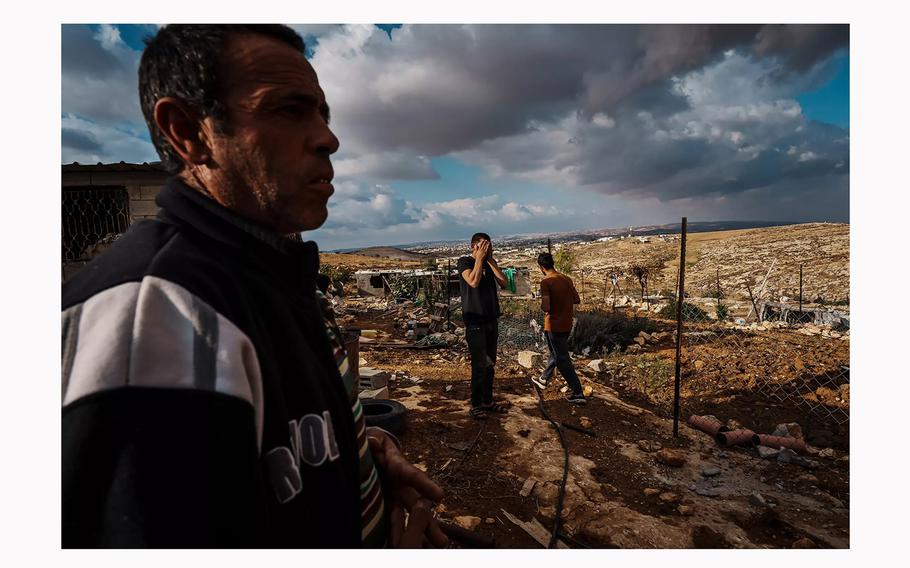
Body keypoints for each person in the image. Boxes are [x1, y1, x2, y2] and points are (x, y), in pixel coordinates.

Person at [62, 24, 447, 549]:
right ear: (188, 132)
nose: (328, 138)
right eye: (288, 110)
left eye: (322, 113)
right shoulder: (153, 319)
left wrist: (360, 454)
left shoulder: (266, 275)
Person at [457, 233, 509, 419]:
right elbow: (473, 281)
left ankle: (487, 400)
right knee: (479, 365)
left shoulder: (489, 262)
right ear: (473, 246)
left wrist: (491, 261)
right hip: (475, 323)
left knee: (490, 364)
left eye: (489, 246)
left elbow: (504, 283)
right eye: (483, 246)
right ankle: (476, 404)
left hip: (491, 321)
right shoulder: (464, 262)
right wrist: (479, 259)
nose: (487, 249)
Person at [531, 253, 586, 404]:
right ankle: (543, 378)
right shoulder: (566, 279)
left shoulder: (546, 282)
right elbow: (577, 299)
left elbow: (546, 306)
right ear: (552, 263)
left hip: (553, 325)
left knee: (561, 358)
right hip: (567, 324)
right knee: (556, 352)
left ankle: (578, 392)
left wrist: (541, 301)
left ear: (541, 267)